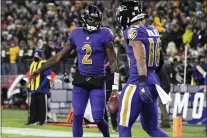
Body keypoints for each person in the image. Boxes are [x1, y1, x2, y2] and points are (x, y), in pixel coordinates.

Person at [28, 5, 119, 137]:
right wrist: (40, 70)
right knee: (77, 116)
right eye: (91, 19)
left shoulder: (105, 34)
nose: (93, 22)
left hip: (97, 80)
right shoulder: (76, 34)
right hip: (81, 80)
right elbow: (59, 56)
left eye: (96, 19)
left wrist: (115, 87)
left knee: (98, 118)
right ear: (84, 19)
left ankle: (106, 136)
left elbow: (113, 61)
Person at [115, 1, 168, 137]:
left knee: (123, 126)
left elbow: (141, 59)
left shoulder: (132, 31)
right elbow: (160, 60)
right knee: (152, 128)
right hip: (153, 82)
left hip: (137, 82)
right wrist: (149, 79)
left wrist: (142, 82)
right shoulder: (152, 29)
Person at [26, 49, 51, 125]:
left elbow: (48, 77)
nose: (35, 57)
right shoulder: (32, 64)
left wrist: (41, 87)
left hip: (42, 90)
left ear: (41, 56)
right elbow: (31, 76)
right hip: (33, 89)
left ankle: (42, 121)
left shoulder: (45, 63)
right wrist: (29, 85)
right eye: (35, 56)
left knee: (42, 107)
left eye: (37, 56)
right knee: (33, 107)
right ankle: (32, 120)